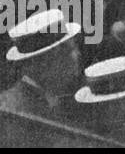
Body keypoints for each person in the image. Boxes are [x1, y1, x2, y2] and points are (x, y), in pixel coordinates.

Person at [0, 8, 86, 145]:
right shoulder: (13, 109)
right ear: (46, 60)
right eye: (71, 50)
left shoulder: (48, 100)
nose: (78, 55)